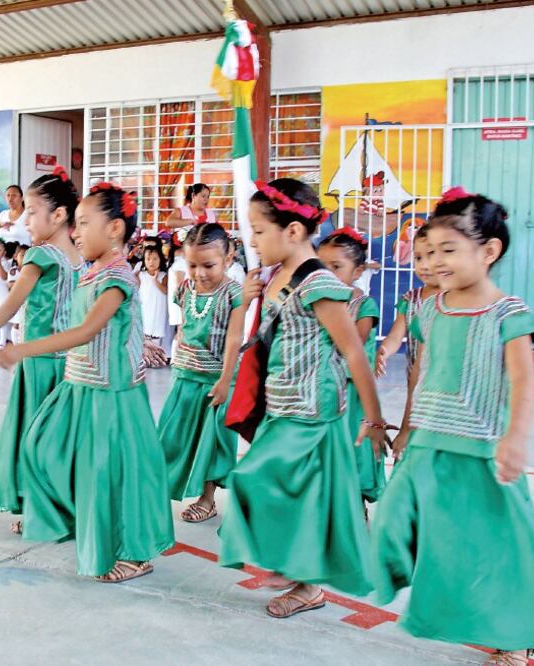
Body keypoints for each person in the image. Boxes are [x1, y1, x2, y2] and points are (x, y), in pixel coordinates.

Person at [372, 188, 534, 665]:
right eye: (428, 252)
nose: (434, 262)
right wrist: (407, 424)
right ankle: (413, 590)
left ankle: (514, 639)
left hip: (482, 450)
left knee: (499, 549)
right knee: (391, 517)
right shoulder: (429, 308)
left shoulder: (508, 313)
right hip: (429, 443)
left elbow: (523, 380)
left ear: (489, 251)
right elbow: (423, 370)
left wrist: (515, 439)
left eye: (448, 250)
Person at [217, 178, 389, 619]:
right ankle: (300, 576)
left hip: (312, 410)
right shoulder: (274, 278)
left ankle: (301, 578)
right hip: (281, 405)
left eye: (259, 231)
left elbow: (354, 352)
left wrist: (372, 418)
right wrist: (246, 300)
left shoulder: (318, 284)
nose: (253, 241)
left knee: (256, 479)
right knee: (279, 489)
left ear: (293, 231)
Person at [7, 181, 174, 583]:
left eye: (83, 223)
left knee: (114, 474)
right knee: (42, 447)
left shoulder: (118, 276)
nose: (76, 232)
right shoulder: (92, 272)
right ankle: (69, 517)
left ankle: (135, 554)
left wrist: (24, 349)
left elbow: (86, 330)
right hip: (81, 384)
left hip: (112, 392)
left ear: (115, 228)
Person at [0, 166, 82, 532]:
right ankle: (55, 507)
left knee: (36, 439)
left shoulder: (42, 256)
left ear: (59, 215)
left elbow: (8, 306)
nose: (26, 220)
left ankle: (45, 509)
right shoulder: (78, 257)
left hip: (44, 362)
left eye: (32, 212)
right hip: (62, 362)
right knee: (57, 440)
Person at [157, 223, 245, 523]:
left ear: (228, 259)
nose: (199, 273)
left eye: (209, 265)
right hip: (185, 376)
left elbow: (234, 338)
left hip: (215, 380)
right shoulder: (185, 288)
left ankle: (207, 500)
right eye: (192, 265)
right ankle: (160, 487)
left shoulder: (233, 293)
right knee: (172, 436)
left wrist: (225, 380)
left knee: (210, 443)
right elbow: (184, 326)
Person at [317, 226, 385, 508]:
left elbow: (354, 344)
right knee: (326, 446)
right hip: (323, 387)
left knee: (353, 444)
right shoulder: (316, 300)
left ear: (357, 271)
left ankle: (356, 503)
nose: (327, 273)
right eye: (322, 266)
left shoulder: (363, 304)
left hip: (353, 391)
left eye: (336, 267)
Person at [375, 231, 440, 382]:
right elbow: (395, 336)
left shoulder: (456, 300)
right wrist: (385, 351)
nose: (424, 265)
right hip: (415, 378)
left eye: (431, 256)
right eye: (418, 258)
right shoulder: (410, 300)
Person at [138, 244, 168, 357]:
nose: (151, 262)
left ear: (160, 259)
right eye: (148, 259)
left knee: (156, 332)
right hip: (145, 308)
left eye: (155, 259)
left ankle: (154, 358)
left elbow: (165, 291)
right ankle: (144, 358)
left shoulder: (163, 275)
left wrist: (155, 281)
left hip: (158, 310)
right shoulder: (141, 275)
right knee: (144, 331)